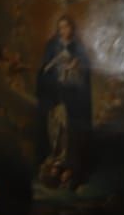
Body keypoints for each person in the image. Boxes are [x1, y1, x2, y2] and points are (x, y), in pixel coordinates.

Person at [34, 15, 92, 190]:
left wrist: (77, 67)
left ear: (72, 29)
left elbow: (86, 74)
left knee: (69, 133)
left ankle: (68, 169)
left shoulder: (79, 48)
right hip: (55, 97)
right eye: (60, 28)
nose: (63, 31)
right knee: (55, 131)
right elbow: (44, 70)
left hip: (73, 99)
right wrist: (51, 70)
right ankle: (54, 164)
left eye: (66, 27)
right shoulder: (52, 46)